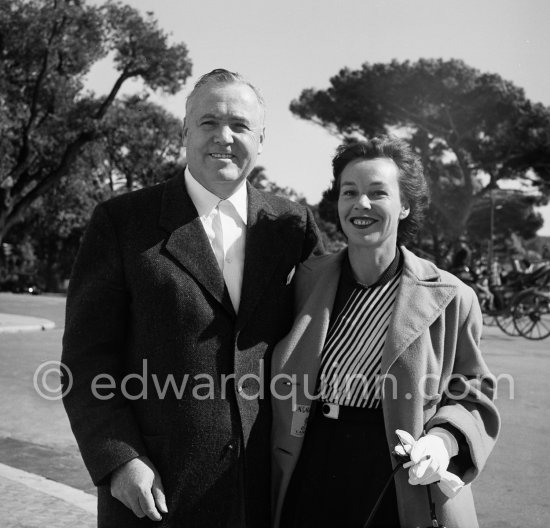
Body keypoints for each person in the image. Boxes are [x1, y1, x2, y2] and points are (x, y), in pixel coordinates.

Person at [61, 68, 322, 528]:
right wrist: (119, 461)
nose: (224, 137)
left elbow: (327, 332)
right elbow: (85, 362)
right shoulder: (121, 222)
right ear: (184, 132)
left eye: (240, 125)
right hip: (156, 493)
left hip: (265, 493)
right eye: (208, 122)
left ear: (261, 140)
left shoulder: (293, 226)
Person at [271, 136, 500, 528]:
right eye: (350, 192)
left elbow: (472, 393)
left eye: (378, 193)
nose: (361, 204)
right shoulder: (303, 282)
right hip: (310, 457)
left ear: (405, 204)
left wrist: (441, 442)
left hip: (395, 469)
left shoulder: (452, 297)